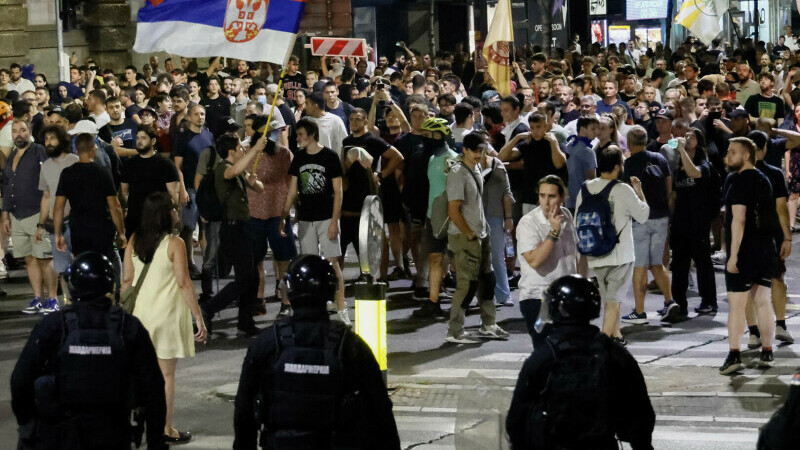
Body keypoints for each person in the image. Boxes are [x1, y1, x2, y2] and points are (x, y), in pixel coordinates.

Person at [232, 254, 400, 450]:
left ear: (289, 289)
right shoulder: (350, 346)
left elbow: (244, 409)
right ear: (331, 290)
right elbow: (380, 410)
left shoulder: (268, 343)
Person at [10, 252, 168, 450]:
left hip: (60, 435)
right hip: (113, 434)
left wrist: (28, 427)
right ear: (111, 285)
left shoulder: (54, 325)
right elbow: (154, 388)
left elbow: (20, 380)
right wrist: (155, 441)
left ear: (72, 286)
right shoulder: (128, 327)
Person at [506, 274, 655, 450]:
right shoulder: (614, 353)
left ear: (556, 309)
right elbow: (640, 413)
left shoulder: (544, 358)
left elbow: (517, 418)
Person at [123, 192, 207, 444]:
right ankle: (165, 428)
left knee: (138, 374)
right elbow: (183, 283)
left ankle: (136, 424)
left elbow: (126, 280)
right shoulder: (175, 243)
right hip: (166, 317)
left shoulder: (134, 240)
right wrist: (199, 317)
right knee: (165, 377)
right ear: (164, 213)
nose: (175, 212)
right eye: (172, 208)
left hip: (139, 318)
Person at [575, 146, 649, 345]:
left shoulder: (585, 188)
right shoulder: (622, 189)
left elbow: (577, 220)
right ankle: (603, 343)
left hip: (594, 253)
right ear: (618, 166)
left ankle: (616, 335)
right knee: (614, 302)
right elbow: (643, 215)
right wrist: (640, 192)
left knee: (609, 299)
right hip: (620, 255)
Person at [719, 137, 780, 375]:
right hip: (765, 248)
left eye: (733, 152)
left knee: (737, 305)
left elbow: (739, 220)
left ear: (746, 156)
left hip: (744, 250)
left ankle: (734, 355)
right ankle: (767, 351)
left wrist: (732, 255)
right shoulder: (764, 179)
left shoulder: (737, 181)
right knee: (763, 302)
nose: (728, 155)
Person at [280, 117, 348, 324]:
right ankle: (314, 308)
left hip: (326, 216)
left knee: (332, 262)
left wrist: (334, 221)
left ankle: (342, 307)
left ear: (311, 135)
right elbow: (293, 190)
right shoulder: (299, 158)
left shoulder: (329, 157)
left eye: (300, 135)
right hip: (306, 218)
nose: (297, 139)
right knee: (308, 263)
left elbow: (338, 191)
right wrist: (285, 216)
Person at [444, 133, 508, 343]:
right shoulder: (457, 173)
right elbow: (453, 210)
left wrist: (481, 231)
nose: (479, 155)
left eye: (482, 150)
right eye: (475, 151)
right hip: (466, 237)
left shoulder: (477, 167)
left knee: (487, 280)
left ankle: (489, 323)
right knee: (467, 284)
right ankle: (455, 330)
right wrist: (469, 233)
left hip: (481, 232)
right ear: (465, 150)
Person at [201, 133, 265, 337]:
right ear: (232, 151)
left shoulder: (239, 170)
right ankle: (209, 309)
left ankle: (245, 321)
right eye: (240, 147)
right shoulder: (223, 169)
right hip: (233, 229)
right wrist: (255, 150)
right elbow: (232, 172)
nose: (243, 150)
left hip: (244, 228)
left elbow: (259, 188)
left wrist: (253, 181)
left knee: (251, 277)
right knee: (245, 277)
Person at [516, 175, 582, 347]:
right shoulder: (528, 223)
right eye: (542, 196)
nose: (546, 202)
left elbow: (575, 255)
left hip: (566, 297)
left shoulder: (566, 215)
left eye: (551, 196)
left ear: (562, 197)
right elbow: (535, 261)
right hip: (539, 298)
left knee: (569, 351)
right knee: (547, 352)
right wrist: (553, 232)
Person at [620, 126, 676, 324]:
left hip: (641, 219)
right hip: (661, 217)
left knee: (640, 266)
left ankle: (640, 311)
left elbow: (628, 192)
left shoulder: (630, 163)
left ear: (630, 142)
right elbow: (669, 183)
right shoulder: (659, 158)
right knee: (657, 264)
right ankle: (670, 301)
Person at [3, 119, 59, 314]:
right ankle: (37, 298)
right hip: (16, 215)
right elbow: (7, 186)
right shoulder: (11, 157)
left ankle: (52, 299)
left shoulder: (39, 151)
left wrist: (46, 218)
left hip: (37, 214)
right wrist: (5, 215)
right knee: (29, 259)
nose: (18, 134)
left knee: (44, 257)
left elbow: (50, 183)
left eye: (22, 130)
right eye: (15, 131)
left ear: (30, 132)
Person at [245, 117, 297, 318]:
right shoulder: (248, 153)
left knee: (284, 260)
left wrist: (291, 209)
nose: (275, 136)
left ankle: (286, 301)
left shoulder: (284, 154)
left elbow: (292, 182)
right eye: (270, 132)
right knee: (256, 261)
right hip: (255, 214)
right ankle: (259, 299)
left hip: (278, 214)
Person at [54, 134, 126, 273]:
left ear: (76, 150)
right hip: (101, 228)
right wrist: (121, 232)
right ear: (93, 149)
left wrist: (58, 234)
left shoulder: (67, 173)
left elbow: (58, 207)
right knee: (105, 265)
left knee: (83, 264)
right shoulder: (103, 172)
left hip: (78, 229)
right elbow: (115, 206)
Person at [669, 128, 719, 316]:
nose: (687, 138)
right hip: (681, 222)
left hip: (698, 221)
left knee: (702, 262)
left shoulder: (704, 164)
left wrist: (682, 150)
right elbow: (674, 194)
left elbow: (694, 173)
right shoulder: (678, 167)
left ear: (699, 141)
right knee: (680, 264)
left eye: (692, 136)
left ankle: (709, 301)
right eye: (686, 135)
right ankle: (678, 303)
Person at [35, 125, 78, 304]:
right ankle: (68, 304)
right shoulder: (45, 166)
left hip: (75, 222)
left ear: (61, 140)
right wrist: (40, 224)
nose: (49, 142)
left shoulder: (74, 161)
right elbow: (46, 197)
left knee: (78, 265)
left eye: (52, 138)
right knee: (62, 268)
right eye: (46, 139)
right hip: (55, 226)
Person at [173, 104, 214, 276]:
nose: (200, 117)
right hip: (190, 188)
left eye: (203, 114)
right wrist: (182, 189)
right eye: (196, 114)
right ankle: (189, 264)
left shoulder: (209, 135)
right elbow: (177, 167)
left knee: (206, 228)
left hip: (207, 190)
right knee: (188, 228)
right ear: (189, 117)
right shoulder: (182, 139)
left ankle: (208, 265)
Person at [120, 125, 181, 238]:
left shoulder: (166, 164)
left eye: (143, 138)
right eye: (137, 138)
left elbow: (174, 195)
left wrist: (174, 214)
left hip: (158, 218)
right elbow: (124, 191)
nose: (139, 141)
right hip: (135, 219)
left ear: (153, 141)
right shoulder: (129, 164)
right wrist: (132, 206)